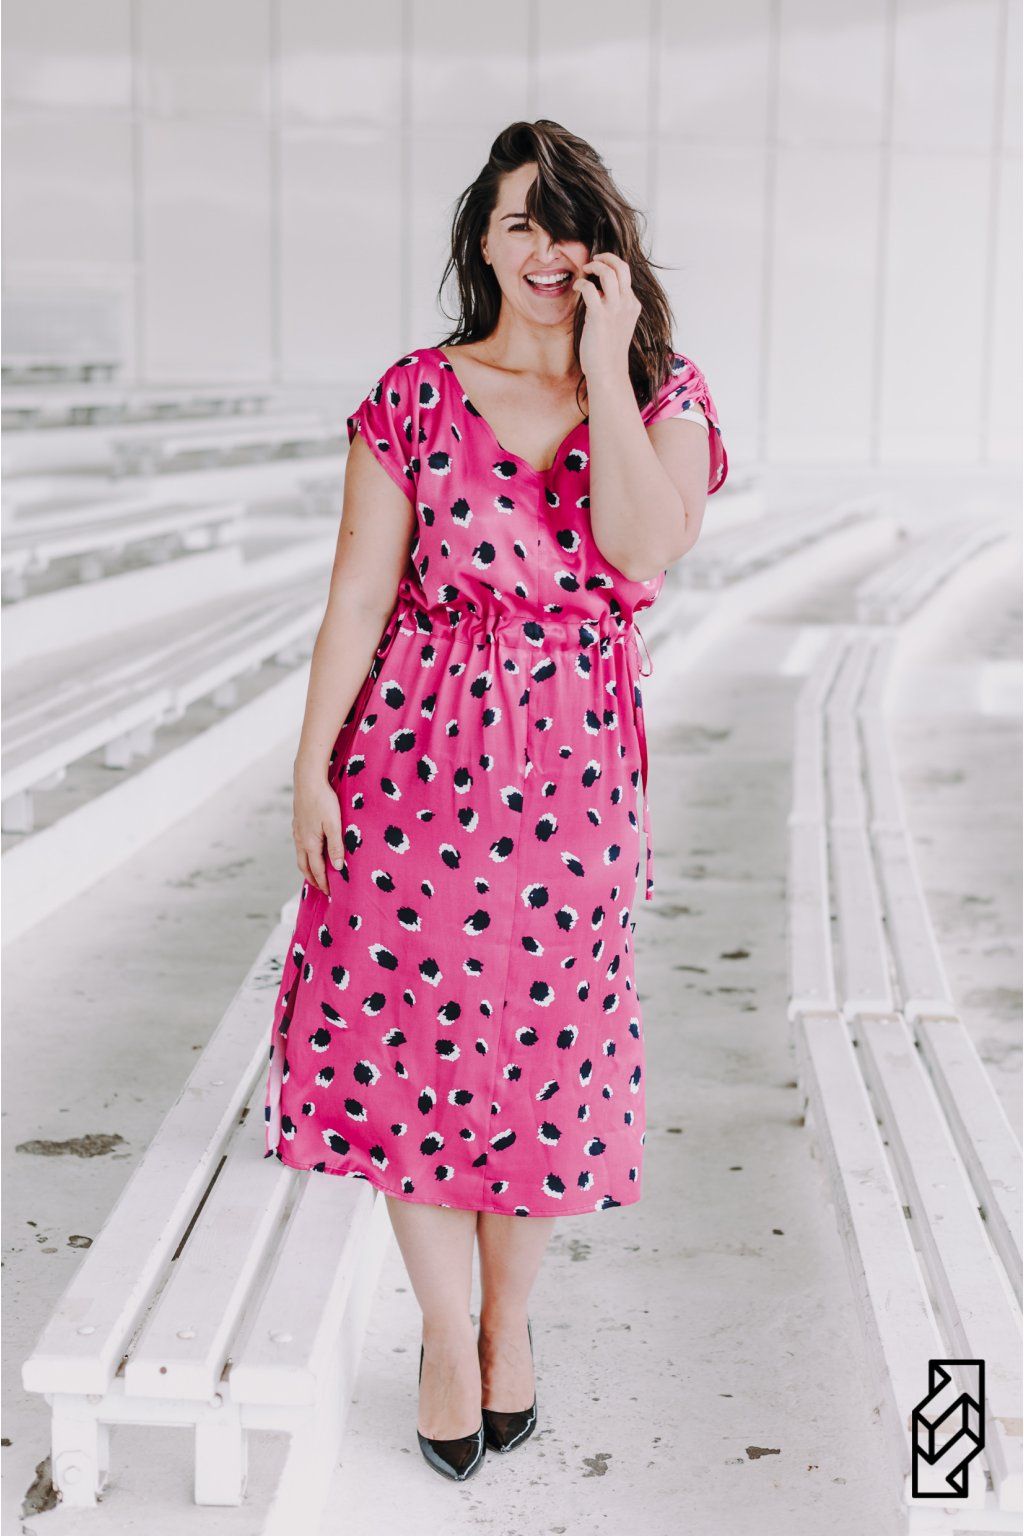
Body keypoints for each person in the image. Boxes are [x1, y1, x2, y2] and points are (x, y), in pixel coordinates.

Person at [263, 119, 728, 1482]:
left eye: (570, 224)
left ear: (607, 247)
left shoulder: (665, 392)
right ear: (482, 235)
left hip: (574, 773)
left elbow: (642, 551)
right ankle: (444, 1334)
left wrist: (606, 364)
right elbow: (358, 593)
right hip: (413, 759)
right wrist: (310, 764)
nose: (546, 249)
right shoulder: (415, 395)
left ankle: (508, 1323)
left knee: (545, 1061)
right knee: (409, 1048)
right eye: (521, 221)